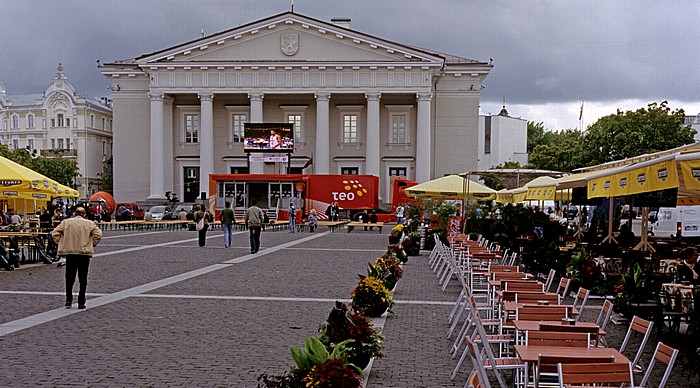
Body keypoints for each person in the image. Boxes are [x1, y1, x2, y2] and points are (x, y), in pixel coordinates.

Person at [51, 207, 102, 309]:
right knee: (83, 279)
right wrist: (92, 244)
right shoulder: (89, 223)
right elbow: (98, 234)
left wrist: (61, 243)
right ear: (84, 214)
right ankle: (81, 301)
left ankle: (68, 299)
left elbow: (54, 233)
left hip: (70, 253)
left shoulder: (66, 222)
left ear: (75, 213)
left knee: (69, 278)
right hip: (84, 253)